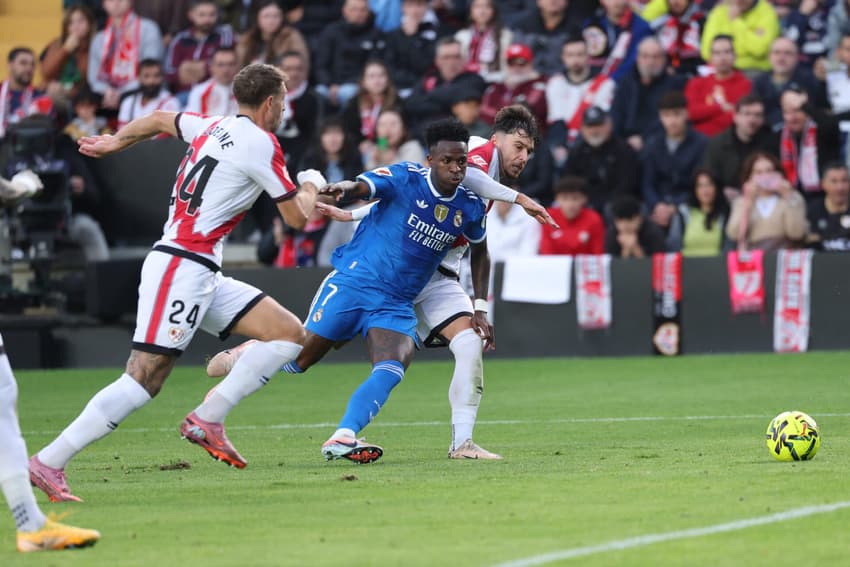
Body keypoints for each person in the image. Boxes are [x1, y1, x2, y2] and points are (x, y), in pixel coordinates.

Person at [28, 63, 327, 502]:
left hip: (200, 267)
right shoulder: (262, 143)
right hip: (181, 266)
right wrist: (312, 182)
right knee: (144, 378)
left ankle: (209, 417)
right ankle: (49, 461)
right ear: (270, 103)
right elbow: (297, 217)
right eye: (282, 100)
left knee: (289, 335)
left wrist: (116, 141)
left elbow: (156, 118)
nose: (284, 108)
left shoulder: (210, 125)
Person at [207, 107, 557, 460]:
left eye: (529, 151)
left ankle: (448, 442)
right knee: (301, 358)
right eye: (519, 147)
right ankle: (252, 352)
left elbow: (477, 244)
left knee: (444, 350)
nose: (523, 156)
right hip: (363, 279)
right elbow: (381, 187)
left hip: (424, 284)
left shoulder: (466, 198)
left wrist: (480, 306)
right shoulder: (472, 157)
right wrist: (345, 195)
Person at [641, 90, 707, 235]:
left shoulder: (701, 143)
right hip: (658, 202)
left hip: (690, 202)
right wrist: (657, 205)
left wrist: (675, 206)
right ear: (660, 117)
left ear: (686, 114)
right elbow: (647, 182)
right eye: (666, 115)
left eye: (677, 114)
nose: (672, 121)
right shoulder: (653, 144)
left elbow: (700, 182)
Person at [546, 35, 616, 170]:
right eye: (570, 55)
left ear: (588, 56)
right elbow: (556, 121)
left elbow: (599, 119)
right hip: (563, 143)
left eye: (580, 54)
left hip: (592, 141)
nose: (575, 60)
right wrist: (560, 147)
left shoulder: (605, 84)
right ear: (563, 57)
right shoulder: (555, 83)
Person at [564, 106, 641, 214]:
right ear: (582, 129)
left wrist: (602, 203)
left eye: (598, 125)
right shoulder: (577, 152)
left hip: (615, 204)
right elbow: (569, 181)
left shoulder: (623, 149)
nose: (594, 130)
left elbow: (627, 184)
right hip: (585, 203)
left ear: (609, 125)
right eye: (590, 126)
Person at [87, 0, 163, 110]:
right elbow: (94, 78)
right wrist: (107, 91)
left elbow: (150, 71)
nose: (116, 3)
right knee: (86, 100)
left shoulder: (148, 29)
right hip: (106, 94)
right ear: (103, 4)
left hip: (140, 89)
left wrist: (121, 92)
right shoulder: (99, 38)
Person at [726, 151, 807, 251]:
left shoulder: (793, 198)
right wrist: (748, 203)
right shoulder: (741, 202)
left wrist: (788, 197)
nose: (765, 176)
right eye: (758, 172)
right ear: (750, 177)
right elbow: (734, 234)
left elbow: (796, 233)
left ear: (778, 173)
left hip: (783, 256)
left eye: (769, 171)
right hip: (754, 259)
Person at [314, 0, 386, 109]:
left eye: (362, 10)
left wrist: (354, 83)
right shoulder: (330, 32)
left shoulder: (376, 35)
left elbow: (372, 66)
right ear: (344, 11)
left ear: (368, 12)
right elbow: (321, 65)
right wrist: (329, 84)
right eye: (354, 9)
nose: (358, 13)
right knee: (316, 94)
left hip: (358, 85)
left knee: (349, 93)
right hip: (329, 85)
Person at [700, 94, 777, 195]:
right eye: (747, 114)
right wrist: (721, 191)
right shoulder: (718, 144)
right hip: (726, 201)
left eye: (757, 115)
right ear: (735, 116)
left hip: (762, 197)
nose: (752, 120)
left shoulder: (771, 142)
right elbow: (709, 177)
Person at [775, 89, 842, 196]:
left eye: (797, 110)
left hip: (823, 196)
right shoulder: (777, 136)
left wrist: (804, 105)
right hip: (790, 195)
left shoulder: (821, 130)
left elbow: (831, 125)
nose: (793, 117)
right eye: (787, 112)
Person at [684, 35, 752, 137]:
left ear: (735, 55)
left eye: (727, 52)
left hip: (731, 140)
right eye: (717, 53)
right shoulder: (696, 83)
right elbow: (690, 112)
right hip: (699, 142)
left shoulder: (745, 84)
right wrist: (721, 108)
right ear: (710, 57)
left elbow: (740, 118)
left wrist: (705, 113)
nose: (722, 58)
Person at [164, 0, 235, 97]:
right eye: (202, 15)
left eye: (212, 15)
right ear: (191, 15)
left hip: (214, 92)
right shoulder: (180, 39)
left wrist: (200, 67)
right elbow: (169, 72)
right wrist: (204, 68)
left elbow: (226, 64)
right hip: (183, 94)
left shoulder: (223, 35)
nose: (207, 20)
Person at [751, 37, 825, 129]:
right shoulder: (759, 82)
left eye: (788, 53)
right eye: (776, 52)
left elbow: (819, 111)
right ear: (769, 56)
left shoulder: (809, 80)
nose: (781, 58)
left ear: (797, 57)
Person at [582, 0, 654, 82]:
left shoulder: (641, 27)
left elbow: (632, 63)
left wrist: (608, 82)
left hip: (624, 84)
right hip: (592, 83)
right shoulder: (592, 23)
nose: (617, 2)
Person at [479, 44, 548, 129]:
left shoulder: (538, 86)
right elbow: (484, 111)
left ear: (531, 64)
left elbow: (521, 113)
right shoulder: (496, 86)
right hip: (494, 133)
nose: (516, 67)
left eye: (522, 63)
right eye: (511, 63)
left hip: (528, 137)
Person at [700, 0, 780, 72]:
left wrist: (736, 21)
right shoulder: (720, 11)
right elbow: (706, 51)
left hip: (753, 70)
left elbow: (760, 50)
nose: (739, 1)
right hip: (722, 69)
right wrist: (750, 36)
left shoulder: (766, 12)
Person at [341, 60, 399, 153]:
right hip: (360, 148)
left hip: (387, 147)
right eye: (371, 76)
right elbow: (348, 130)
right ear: (363, 81)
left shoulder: (396, 102)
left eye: (381, 75)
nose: (377, 80)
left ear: (387, 79)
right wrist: (360, 143)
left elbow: (397, 133)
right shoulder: (354, 103)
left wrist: (379, 145)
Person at [40, 4, 97, 100]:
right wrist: (65, 50)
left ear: (90, 24)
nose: (76, 26)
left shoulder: (95, 45)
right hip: (53, 92)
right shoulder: (57, 44)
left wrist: (68, 90)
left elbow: (90, 81)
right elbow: (46, 73)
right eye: (71, 23)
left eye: (81, 21)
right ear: (66, 27)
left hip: (80, 98)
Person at [383, 0, 440, 94]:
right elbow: (390, 68)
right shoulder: (392, 36)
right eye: (410, 5)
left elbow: (424, 65)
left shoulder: (435, 33)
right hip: (399, 87)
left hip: (426, 88)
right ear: (403, 8)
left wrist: (413, 38)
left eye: (419, 5)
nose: (415, 10)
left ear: (426, 7)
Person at [538, 175, 605, 255]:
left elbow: (597, 254)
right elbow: (546, 252)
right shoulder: (548, 216)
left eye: (575, 198)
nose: (570, 204)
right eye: (565, 198)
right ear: (557, 199)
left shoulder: (594, 219)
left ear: (584, 199)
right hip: (555, 266)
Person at [236, 0, 310, 71]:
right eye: (266, 16)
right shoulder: (247, 39)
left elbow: (299, 67)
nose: (271, 21)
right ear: (257, 18)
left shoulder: (291, 37)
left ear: (282, 18)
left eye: (276, 16)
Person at [455, 0, 513, 83]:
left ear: (494, 11)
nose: (482, 11)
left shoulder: (505, 35)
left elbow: (507, 66)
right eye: (477, 7)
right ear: (470, 12)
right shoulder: (461, 36)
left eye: (487, 7)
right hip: (466, 81)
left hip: (496, 80)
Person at [0, 48, 51, 141]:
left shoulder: (41, 98)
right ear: (10, 65)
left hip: (26, 148)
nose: (29, 68)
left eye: (32, 65)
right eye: (23, 63)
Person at [117, 59, 181, 128]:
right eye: (146, 76)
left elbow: (165, 135)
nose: (151, 81)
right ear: (138, 78)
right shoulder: (128, 102)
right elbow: (121, 131)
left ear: (162, 77)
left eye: (156, 76)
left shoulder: (170, 102)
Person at [679, 169, 729, 256]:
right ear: (694, 189)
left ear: (717, 188)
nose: (705, 190)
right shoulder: (684, 212)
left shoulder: (725, 213)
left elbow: (728, 247)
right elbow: (674, 244)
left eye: (709, 185)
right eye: (700, 186)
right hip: (687, 266)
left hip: (717, 266)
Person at [807, 162, 850, 251]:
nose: (840, 187)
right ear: (823, 184)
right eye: (834, 181)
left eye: (844, 180)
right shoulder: (813, 209)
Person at [185, 47, 239, 117]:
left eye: (231, 64)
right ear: (212, 67)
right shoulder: (200, 91)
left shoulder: (246, 92)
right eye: (221, 65)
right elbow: (190, 119)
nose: (226, 70)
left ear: (237, 66)